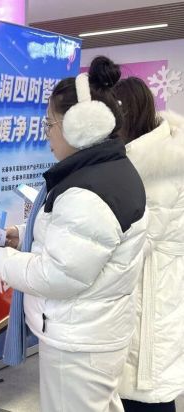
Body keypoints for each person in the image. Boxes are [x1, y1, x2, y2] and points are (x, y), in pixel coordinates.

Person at [0, 56, 148, 411]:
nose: (46, 132)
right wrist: (20, 235)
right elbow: (71, 239)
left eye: (49, 123)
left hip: (78, 343)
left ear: (80, 125)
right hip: (93, 333)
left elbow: (57, 274)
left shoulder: (88, 192)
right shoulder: (106, 171)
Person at [114, 77, 184, 412]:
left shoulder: (155, 167)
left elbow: (134, 238)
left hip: (152, 289)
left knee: (147, 388)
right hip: (162, 288)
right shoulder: (164, 154)